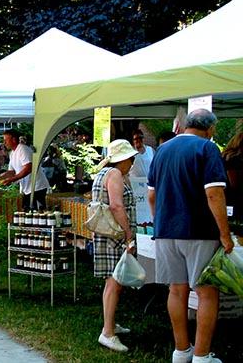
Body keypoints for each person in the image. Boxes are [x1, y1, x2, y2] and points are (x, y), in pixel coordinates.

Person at [147, 109, 234, 363]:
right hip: (199, 231)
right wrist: (225, 234)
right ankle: (202, 355)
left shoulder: (162, 150)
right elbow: (214, 194)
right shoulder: (207, 149)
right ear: (211, 129)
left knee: (176, 291)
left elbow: (151, 195)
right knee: (207, 292)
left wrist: (158, 221)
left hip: (165, 231)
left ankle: (181, 351)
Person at [92, 139, 138, 353]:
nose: (132, 162)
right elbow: (117, 206)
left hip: (107, 233)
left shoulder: (104, 173)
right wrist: (129, 234)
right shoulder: (116, 175)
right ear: (123, 159)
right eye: (131, 158)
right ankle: (108, 333)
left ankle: (109, 324)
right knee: (114, 282)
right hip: (115, 235)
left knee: (112, 282)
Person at [0, 129, 50, 210]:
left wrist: (11, 179)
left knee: (37, 214)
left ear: (14, 139)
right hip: (27, 189)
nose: (4, 143)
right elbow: (11, 171)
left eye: (6, 140)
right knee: (27, 212)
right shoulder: (12, 153)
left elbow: (28, 168)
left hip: (37, 187)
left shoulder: (23, 149)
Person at [221, 132, 243, 222]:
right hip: (235, 200)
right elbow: (234, 183)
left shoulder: (224, 157)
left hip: (226, 199)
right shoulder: (234, 159)